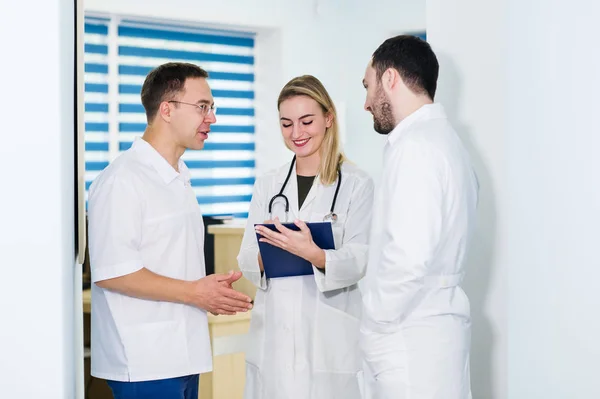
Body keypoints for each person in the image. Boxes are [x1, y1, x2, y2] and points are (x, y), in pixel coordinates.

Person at [87, 62, 253, 399]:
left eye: (212, 107)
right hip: (144, 360)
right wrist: (196, 292)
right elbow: (112, 273)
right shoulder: (123, 179)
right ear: (167, 109)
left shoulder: (179, 177)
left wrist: (208, 288)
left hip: (182, 355)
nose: (212, 118)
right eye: (202, 106)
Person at [237, 75, 374, 399]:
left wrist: (315, 254)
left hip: (329, 338)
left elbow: (361, 257)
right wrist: (268, 249)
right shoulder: (268, 185)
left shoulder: (357, 184)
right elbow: (245, 257)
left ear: (328, 118)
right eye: (286, 124)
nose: (296, 133)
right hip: (275, 338)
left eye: (306, 121)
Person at [359, 35, 479, 399]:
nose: (366, 104)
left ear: (390, 79)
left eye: (368, 87)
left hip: (409, 339)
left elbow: (408, 257)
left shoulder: (415, 148)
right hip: (433, 335)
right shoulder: (447, 143)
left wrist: (375, 319)